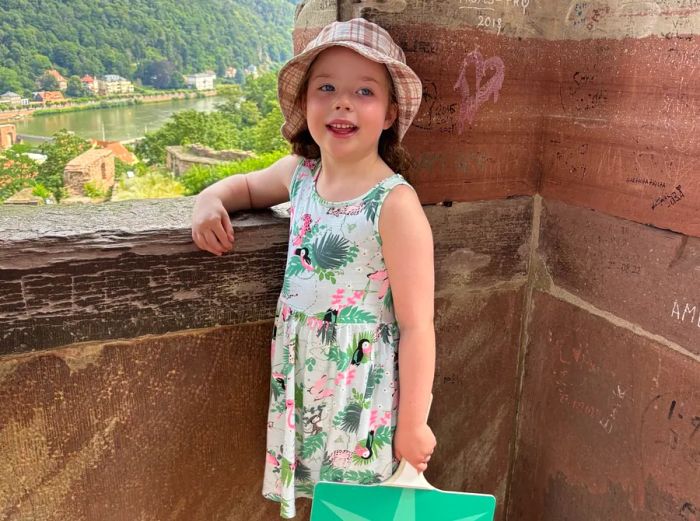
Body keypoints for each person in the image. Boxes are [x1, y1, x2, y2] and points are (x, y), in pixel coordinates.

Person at [191, 18, 436, 519]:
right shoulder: (301, 175)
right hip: (306, 378)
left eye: (363, 91)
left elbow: (416, 326)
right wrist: (208, 198)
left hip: (360, 393)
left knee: (358, 506)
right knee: (322, 505)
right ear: (306, 105)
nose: (342, 102)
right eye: (326, 87)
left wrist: (414, 422)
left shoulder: (394, 204)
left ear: (389, 114)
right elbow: (245, 187)